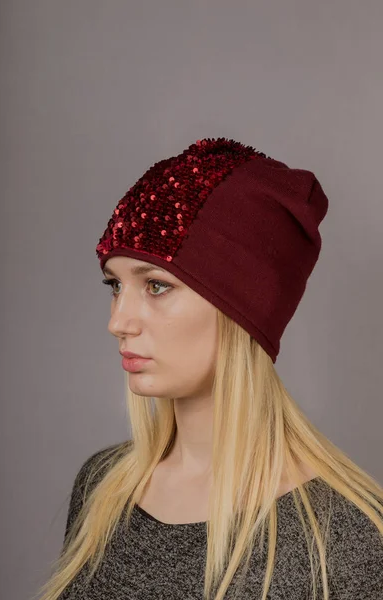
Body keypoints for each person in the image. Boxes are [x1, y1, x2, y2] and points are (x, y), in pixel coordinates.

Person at [37, 137, 383, 600]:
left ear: (241, 311)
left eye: (156, 286)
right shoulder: (104, 486)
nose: (117, 322)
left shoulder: (344, 539)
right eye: (114, 285)